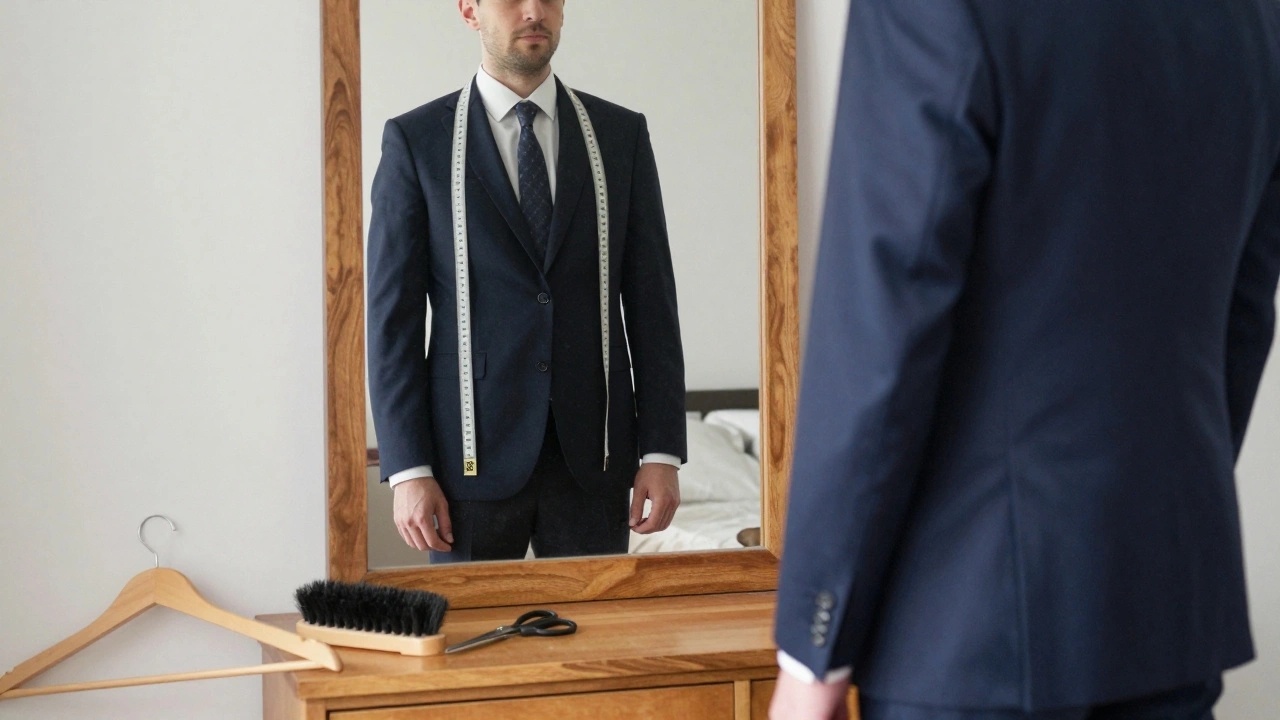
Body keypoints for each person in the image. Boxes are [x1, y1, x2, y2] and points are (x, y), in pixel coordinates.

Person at [771, 1, 1280, 718]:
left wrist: (810, 655)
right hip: (1167, 617)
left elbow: (882, 327)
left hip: (972, 637)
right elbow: (1244, 311)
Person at [366, 0, 686, 564]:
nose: (534, 10)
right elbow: (392, 322)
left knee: (596, 646)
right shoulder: (417, 142)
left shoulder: (620, 135)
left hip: (595, 458)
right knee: (470, 646)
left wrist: (661, 451)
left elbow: (652, 305)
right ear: (469, 10)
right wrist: (408, 470)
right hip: (467, 459)